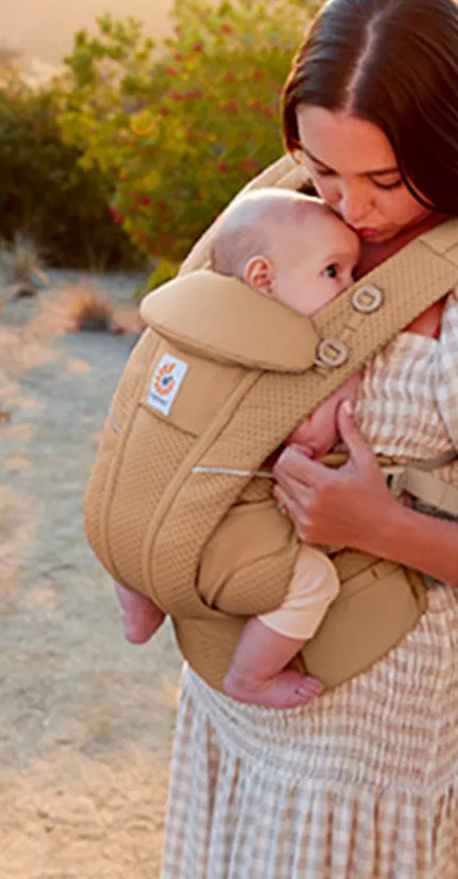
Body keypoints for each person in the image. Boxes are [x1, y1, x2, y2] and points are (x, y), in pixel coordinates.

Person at [160, 0, 458, 879]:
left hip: (371, 723)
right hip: (240, 674)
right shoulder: (293, 210)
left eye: (384, 175)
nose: (351, 209)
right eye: (323, 167)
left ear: (455, 138)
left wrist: (380, 527)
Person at [115, 188, 363, 709]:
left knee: (134, 524)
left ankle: (138, 607)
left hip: (126, 518)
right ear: (263, 279)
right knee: (313, 581)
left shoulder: (188, 327)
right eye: (334, 271)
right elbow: (311, 438)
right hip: (204, 533)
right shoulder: (283, 352)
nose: (352, 285)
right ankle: (251, 677)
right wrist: (347, 384)